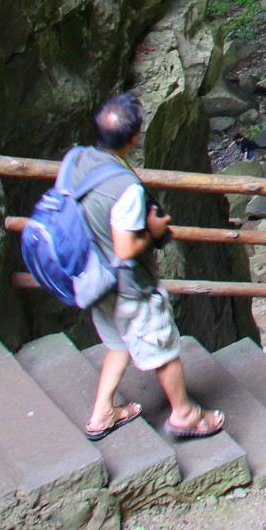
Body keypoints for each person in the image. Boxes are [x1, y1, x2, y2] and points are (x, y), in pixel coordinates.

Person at [76, 94, 225, 443]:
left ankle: (102, 413)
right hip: (130, 286)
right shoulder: (125, 190)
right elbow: (125, 247)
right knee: (163, 349)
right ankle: (184, 413)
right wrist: (153, 232)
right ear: (133, 139)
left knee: (118, 343)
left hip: (96, 279)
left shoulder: (82, 159)